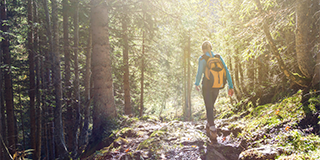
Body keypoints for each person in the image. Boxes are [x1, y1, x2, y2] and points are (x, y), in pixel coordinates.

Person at [194, 41, 234, 142]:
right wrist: (230, 86)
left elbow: (199, 72)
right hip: (217, 85)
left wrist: (197, 83)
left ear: (203, 49)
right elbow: (226, 70)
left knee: (209, 106)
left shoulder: (202, 58)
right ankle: (209, 125)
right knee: (210, 106)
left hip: (207, 85)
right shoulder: (218, 57)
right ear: (211, 48)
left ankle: (213, 130)